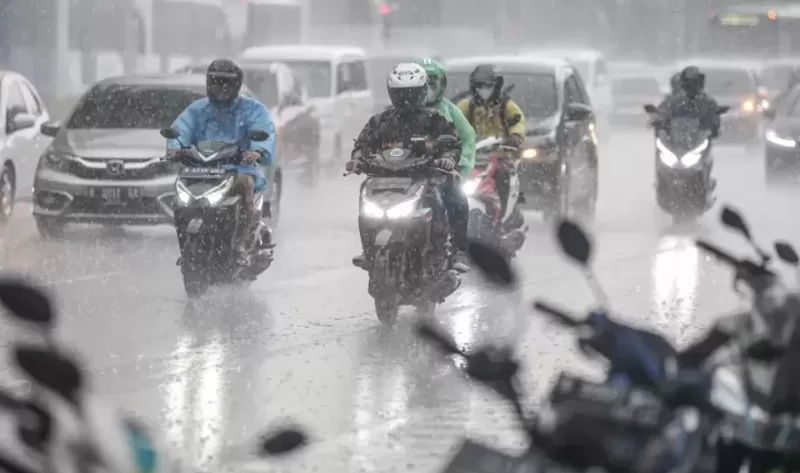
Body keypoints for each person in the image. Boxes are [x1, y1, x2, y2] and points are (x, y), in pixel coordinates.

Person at [347, 63, 471, 273]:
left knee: (455, 197)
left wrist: (448, 158)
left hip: (426, 179)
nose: (406, 99)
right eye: (401, 93)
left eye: (411, 93)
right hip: (385, 180)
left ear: (422, 92)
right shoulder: (381, 121)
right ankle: (368, 248)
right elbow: (363, 144)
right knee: (364, 192)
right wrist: (358, 159)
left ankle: (457, 250)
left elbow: (451, 142)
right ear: (391, 94)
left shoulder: (435, 120)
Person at [166, 58, 276, 265]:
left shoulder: (252, 110)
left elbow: (265, 132)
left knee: (247, 183)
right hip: (199, 171)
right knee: (179, 194)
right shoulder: (197, 110)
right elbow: (180, 130)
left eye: (225, 82)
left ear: (236, 85)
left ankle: (243, 242)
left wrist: (258, 152)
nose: (220, 87)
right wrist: (175, 147)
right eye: (216, 81)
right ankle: (185, 244)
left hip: (238, 169)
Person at [456, 64, 527, 224]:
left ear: (496, 85)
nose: (483, 89)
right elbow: (452, 121)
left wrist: (515, 137)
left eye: (487, 85)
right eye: (479, 85)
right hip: (471, 157)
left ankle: (503, 216)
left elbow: (518, 121)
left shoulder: (505, 105)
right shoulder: (467, 105)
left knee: (503, 175)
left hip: (500, 155)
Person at [655, 66, 720, 207]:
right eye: (689, 84)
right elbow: (664, 116)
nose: (692, 88)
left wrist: (712, 129)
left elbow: (714, 118)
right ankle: (663, 190)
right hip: (677, 143)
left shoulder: (707, 101)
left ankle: (705, 185)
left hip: (697, 143)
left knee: (706, 160)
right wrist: (661, 126)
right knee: (662, 164)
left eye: (695, 84)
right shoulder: (674, 102)